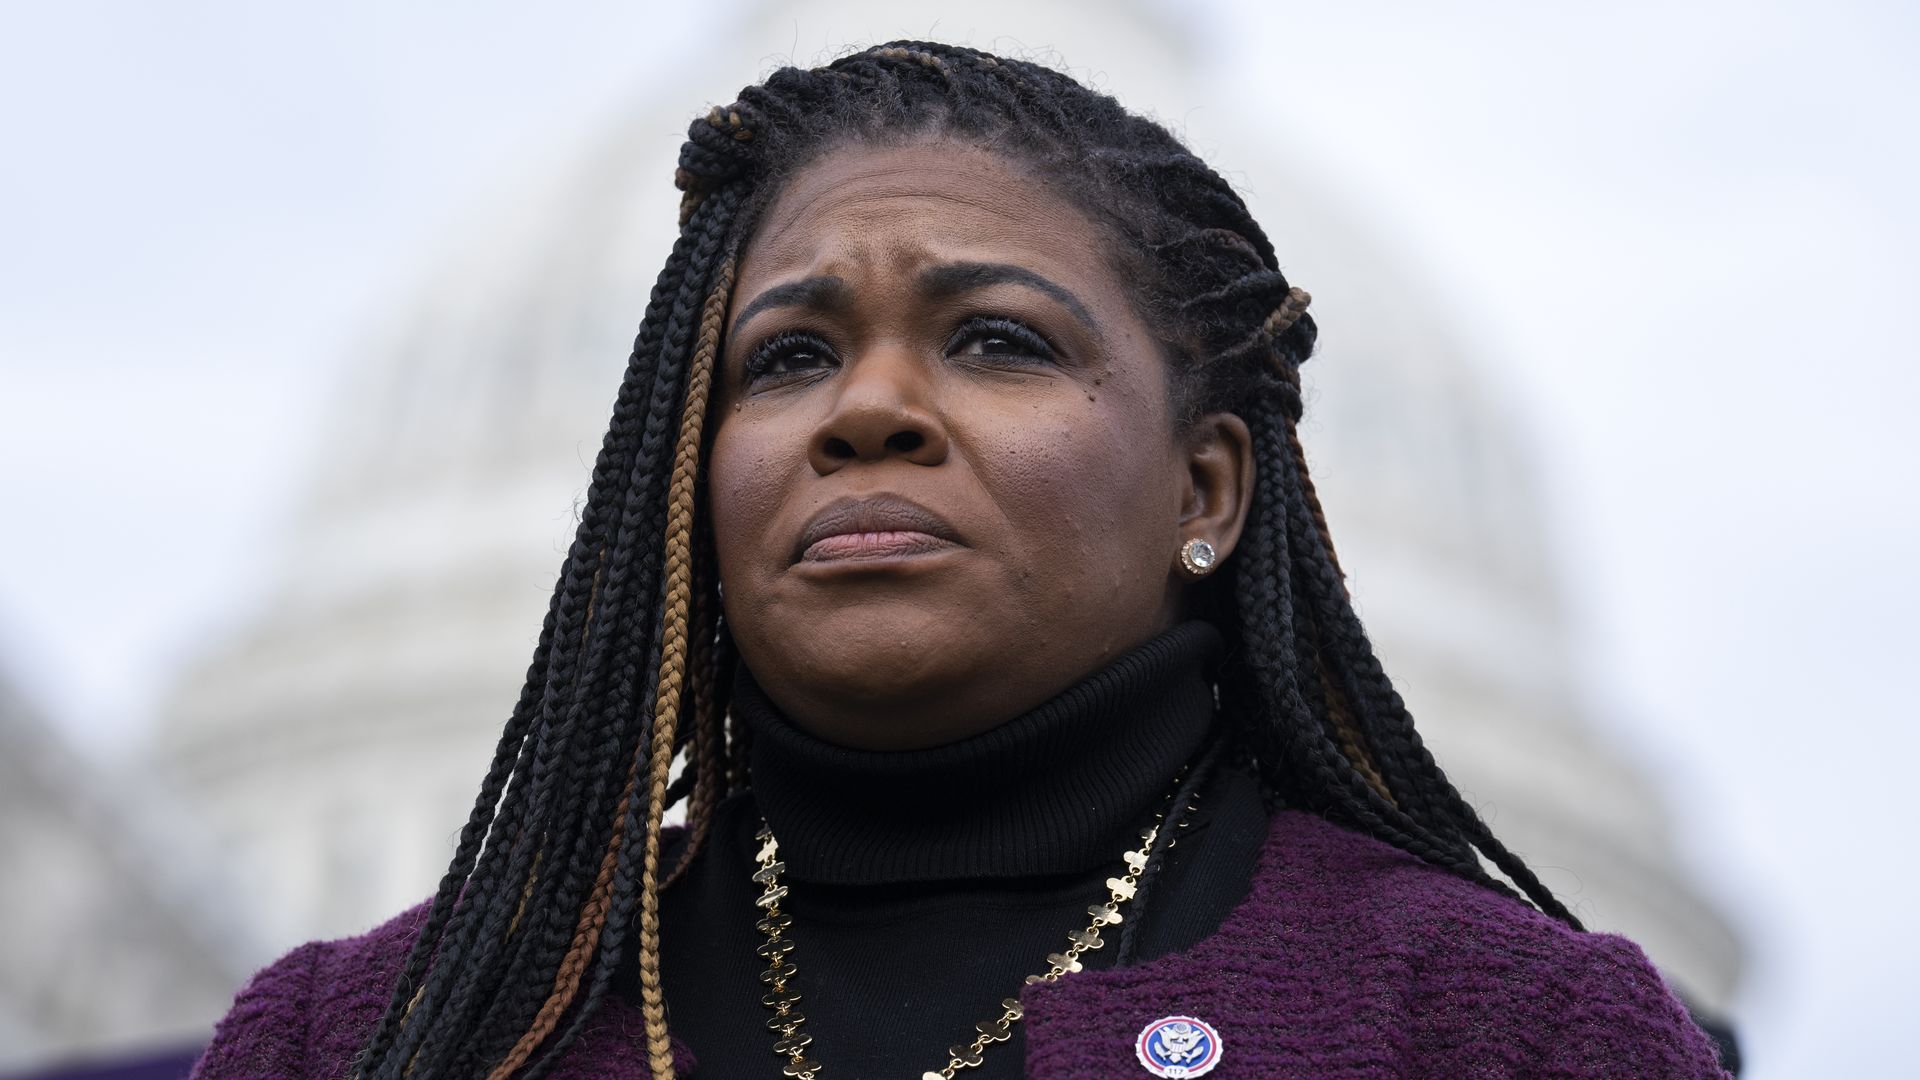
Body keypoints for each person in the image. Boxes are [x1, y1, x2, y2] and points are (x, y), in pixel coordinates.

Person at [189, 41, 1733, 1080]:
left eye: (996, 340)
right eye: (786, 357)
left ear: (1208, 486)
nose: (867, 410)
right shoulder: (367, 1041)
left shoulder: (1496, 1032)